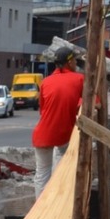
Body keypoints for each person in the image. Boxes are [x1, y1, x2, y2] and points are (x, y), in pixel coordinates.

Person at [31, 45, 84, 194]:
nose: (76, 63)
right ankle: (59, 205)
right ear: (69, 62)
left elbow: (42, 110)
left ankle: (39, 212)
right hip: (64, 135)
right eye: (74, 60)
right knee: (61, 173)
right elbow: (95, 103)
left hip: (42, 135)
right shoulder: (79, 79)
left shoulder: (46, 82)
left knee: (42, 175)